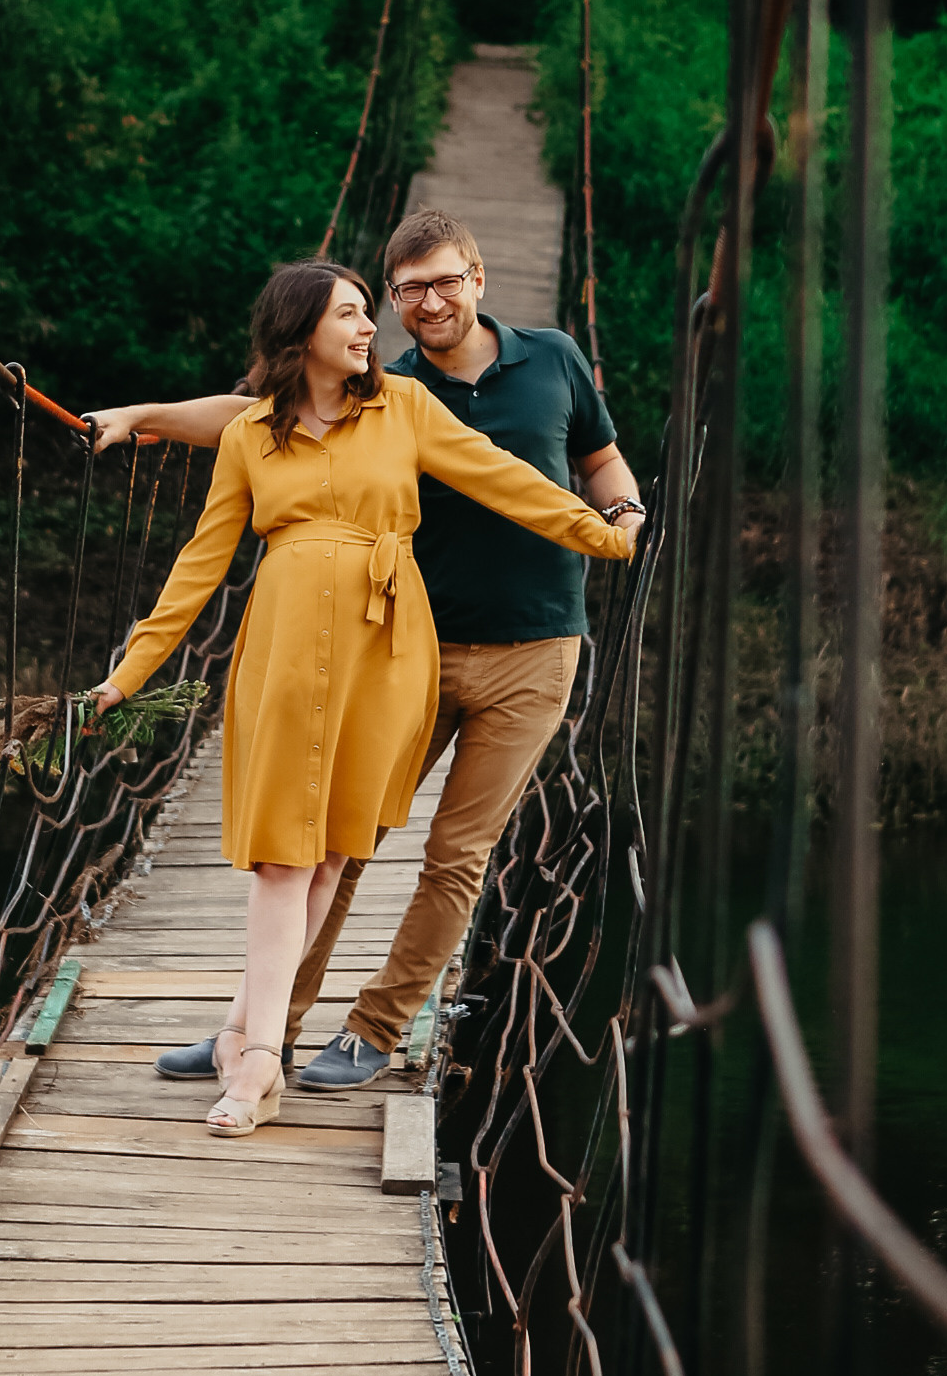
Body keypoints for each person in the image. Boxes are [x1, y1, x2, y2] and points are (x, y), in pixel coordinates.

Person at [88, 210, 647, 1094]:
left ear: (479, 277)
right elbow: (256, 421)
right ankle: (261, 1026)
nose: (421, 305)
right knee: (337, 838)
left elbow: (544, 475)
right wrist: (141, 416)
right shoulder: (373, 390)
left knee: (453, 856)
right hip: (406, 645)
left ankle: (373, 1029)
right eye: (401, 293)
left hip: (533, 644)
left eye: (445, 281)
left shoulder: (525, 368)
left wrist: (613, 525)